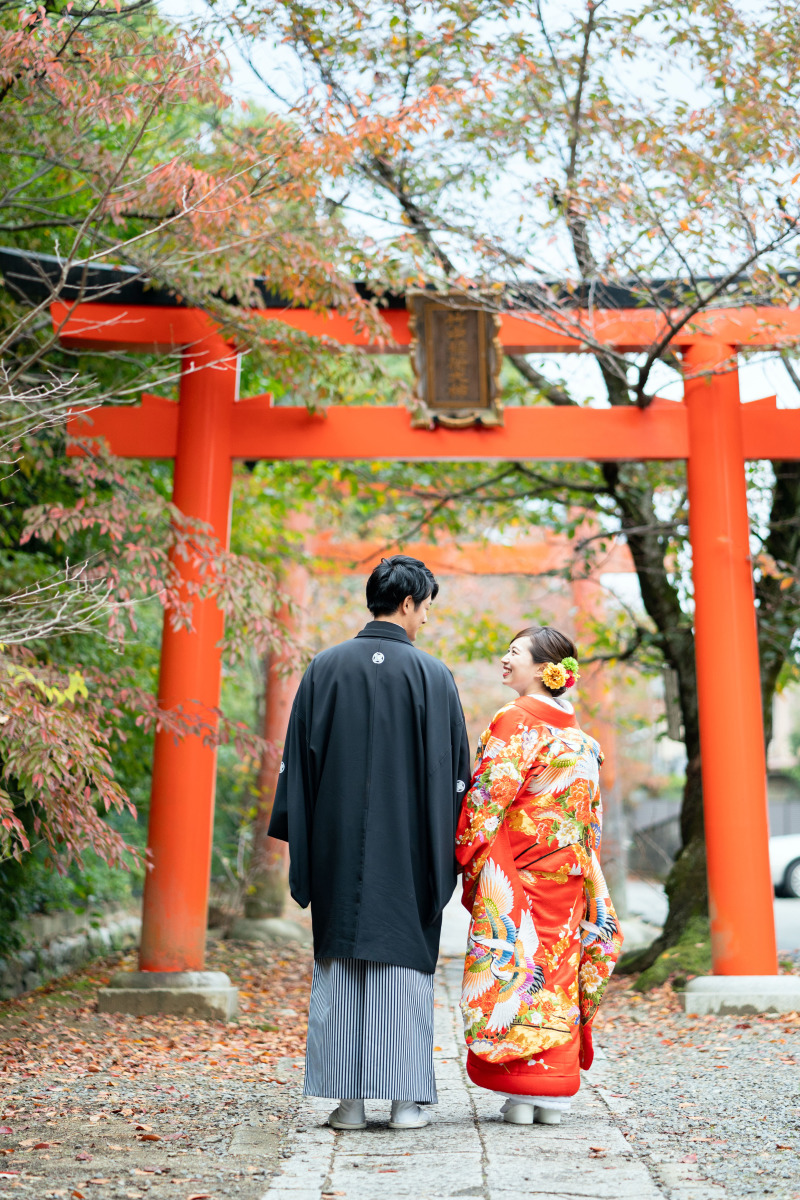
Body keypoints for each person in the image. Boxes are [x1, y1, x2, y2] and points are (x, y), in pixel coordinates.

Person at [269, 554, 471, 1131]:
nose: (425, 619)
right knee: (402, 961)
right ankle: (405, 1102)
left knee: (341, 960)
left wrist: (310, 843)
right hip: (408, 851)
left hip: (335, 846)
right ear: (408, 604)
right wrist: (445, 844)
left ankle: (349, 1104)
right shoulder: (433, 675)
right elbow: (454, 772)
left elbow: (299, 766)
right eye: (425, 608)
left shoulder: (324, 668)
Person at [455, 626, 623, 1125]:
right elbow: (591, 819)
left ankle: (522, 1089)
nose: (505, 659)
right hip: (569, 876)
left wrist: (469, 857)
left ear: (544, 669)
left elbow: (488, 798)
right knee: (557, 973)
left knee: (518, 971)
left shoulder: (515, 720)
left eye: (514, 653)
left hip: (519, 871)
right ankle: (552, 1094)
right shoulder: (580, 738)